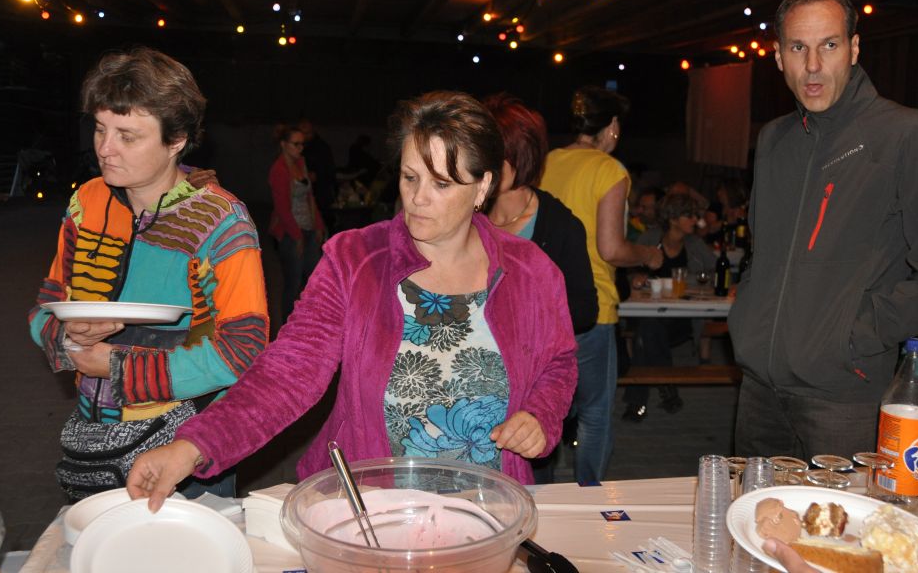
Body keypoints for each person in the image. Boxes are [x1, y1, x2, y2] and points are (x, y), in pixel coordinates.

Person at [127, 91, 578, 507]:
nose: (417, 199)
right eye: (409, 177)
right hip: (371, 507)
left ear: (482, 187)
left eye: (441, 185)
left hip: (488, 506)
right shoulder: (355, 260)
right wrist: (194, 445)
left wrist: (540, 416)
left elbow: (558, 363)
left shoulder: (531, 272)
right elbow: (288, 373)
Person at [728, 0, 918, 460]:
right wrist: (749, 322)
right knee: (756, 509)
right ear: (778, 56)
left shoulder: (906, 134)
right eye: (798, 48)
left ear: (854, 49)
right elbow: (764, 255)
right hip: (758, 386)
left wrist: (852, 338)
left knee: (839, 512)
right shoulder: (774, 140)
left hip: (843, 394)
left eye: (829, 45)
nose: (813, 65)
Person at [28, 47, 269, 500]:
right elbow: (45, 305)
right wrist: (69, 338)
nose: (105, 149)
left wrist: (119, 367)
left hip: (186, 448)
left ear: (176, 140)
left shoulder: (221, 222)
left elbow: (243, 349)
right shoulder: (87, 202)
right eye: (100, 129)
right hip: (96, 437)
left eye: (127, 136)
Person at [540, 85, 664, 485]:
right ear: (611, 126)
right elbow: (611, 249)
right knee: (594, 412)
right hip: (592, 306)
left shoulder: (546, 162)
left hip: (544, 306)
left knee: (546, 407)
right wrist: (648, 255)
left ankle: (538, 493)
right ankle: (588, 493)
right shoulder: (609, 170)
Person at [482, 92, 598, 483]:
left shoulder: (560, 226)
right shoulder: (466, 219)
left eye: (492, 153)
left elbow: (585, 309)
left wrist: (526, 312)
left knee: (530, 493)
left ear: (521, 157)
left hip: (530, 389)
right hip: (473, 383)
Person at [623, 191, 716, 421]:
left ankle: (638, 402)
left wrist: (692, 282)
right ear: (673, 219)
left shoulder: (695, 244)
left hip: (681, 318)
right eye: (689, 215)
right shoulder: (649, 239)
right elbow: (628, 268)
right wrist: (636, 278)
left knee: (646, 334)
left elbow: (713, 272)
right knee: (648, 328)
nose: (695, 220)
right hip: (646, 313)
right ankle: (668, 389)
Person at [269, 125, 326, 329]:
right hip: (289, 232)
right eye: (296, 144)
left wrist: (318, 225)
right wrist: (296, 236)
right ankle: (287, 328)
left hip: (308, 228)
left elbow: (310, 197)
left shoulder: (301, 163)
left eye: (303, 144)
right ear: (284, 145)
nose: (300, 148)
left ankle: (309, 323)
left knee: (315, 280)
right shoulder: (278, 170)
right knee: (292, 284)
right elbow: (282, 209)